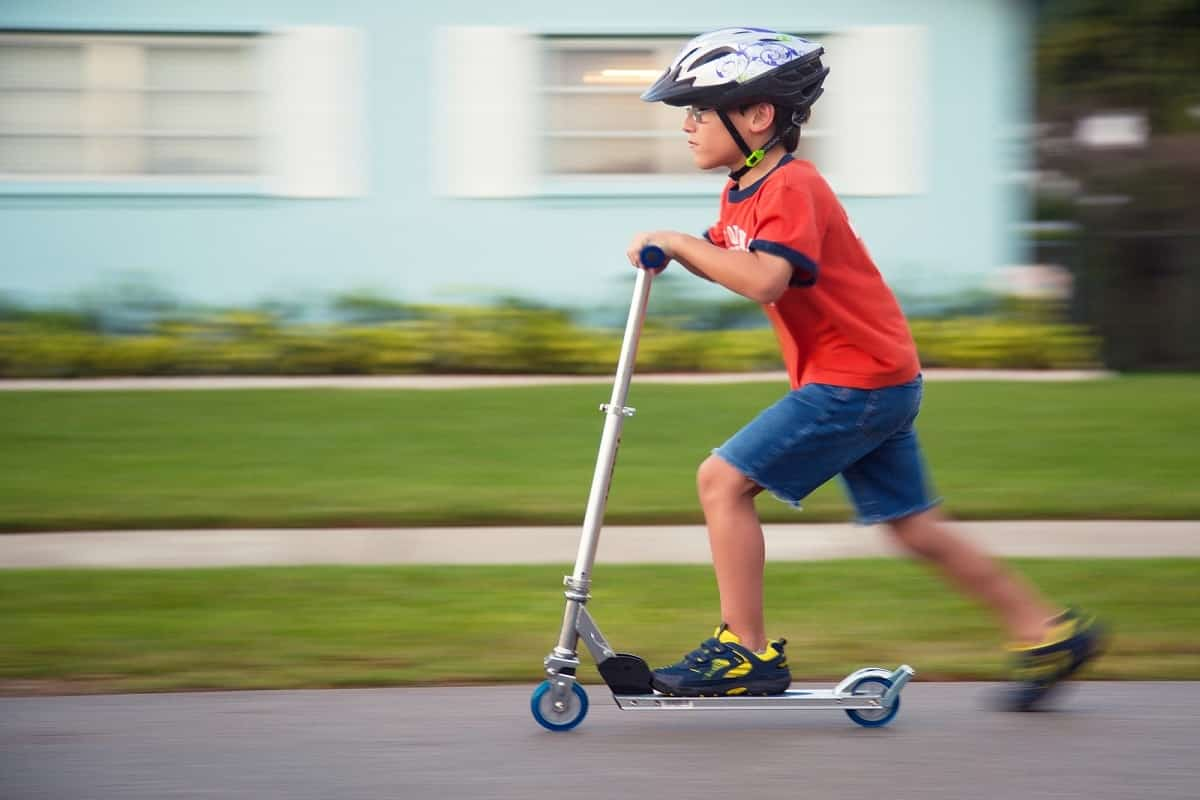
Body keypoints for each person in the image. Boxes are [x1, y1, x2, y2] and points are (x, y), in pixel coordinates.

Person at [626, 27, 1106, 710]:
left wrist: (672, 240)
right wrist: (680, 249)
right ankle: (1048, 633)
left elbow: (764, 278)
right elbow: (736, 250)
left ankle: (745, 649)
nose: (688, 124)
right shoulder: (744, 189)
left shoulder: (793, 185)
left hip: (853, 381)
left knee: (721, 481)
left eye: (701, 109)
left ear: (758, 115)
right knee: (915, 526)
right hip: (878, 377)